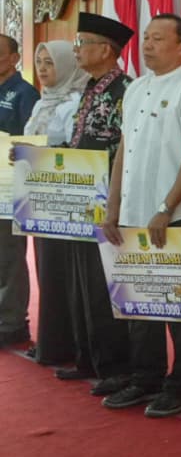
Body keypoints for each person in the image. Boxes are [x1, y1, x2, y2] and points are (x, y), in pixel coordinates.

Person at [100, 13, 181, 418]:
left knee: (178, 306)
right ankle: (146, 377)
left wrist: (166, 207)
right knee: (141, 303)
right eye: (146, 38)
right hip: (134, 212)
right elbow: (124, 150)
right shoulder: (136, 89)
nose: (147, 45)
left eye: (157, 39)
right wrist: (112, 206)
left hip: (175, 215)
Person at [56, 13, 134, 387]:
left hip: (107, 201)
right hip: (78, 200)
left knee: (104, 286)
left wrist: (115, 204)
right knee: (80, 284)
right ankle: (87, 357)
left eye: (81, 43)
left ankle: (114, 367)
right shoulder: (89, 88)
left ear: (105, 50)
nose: (76, 50)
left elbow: (124, 150)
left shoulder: (125, 91)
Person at [23, 41, 89, 365]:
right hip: (39, 198)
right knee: (45, 270)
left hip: (64, 202)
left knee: (62, 273)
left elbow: (71, 151)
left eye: (50, 62)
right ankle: (50, 341)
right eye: (39, 62)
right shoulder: (42, 102)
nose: (43, 68)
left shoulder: (75, 102)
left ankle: (68, 344)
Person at [0, 33, 39, 347]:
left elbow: (32, 141)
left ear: (14, 58)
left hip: (10, 187)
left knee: (9, 256)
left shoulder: (25, 93)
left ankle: (13, 323)